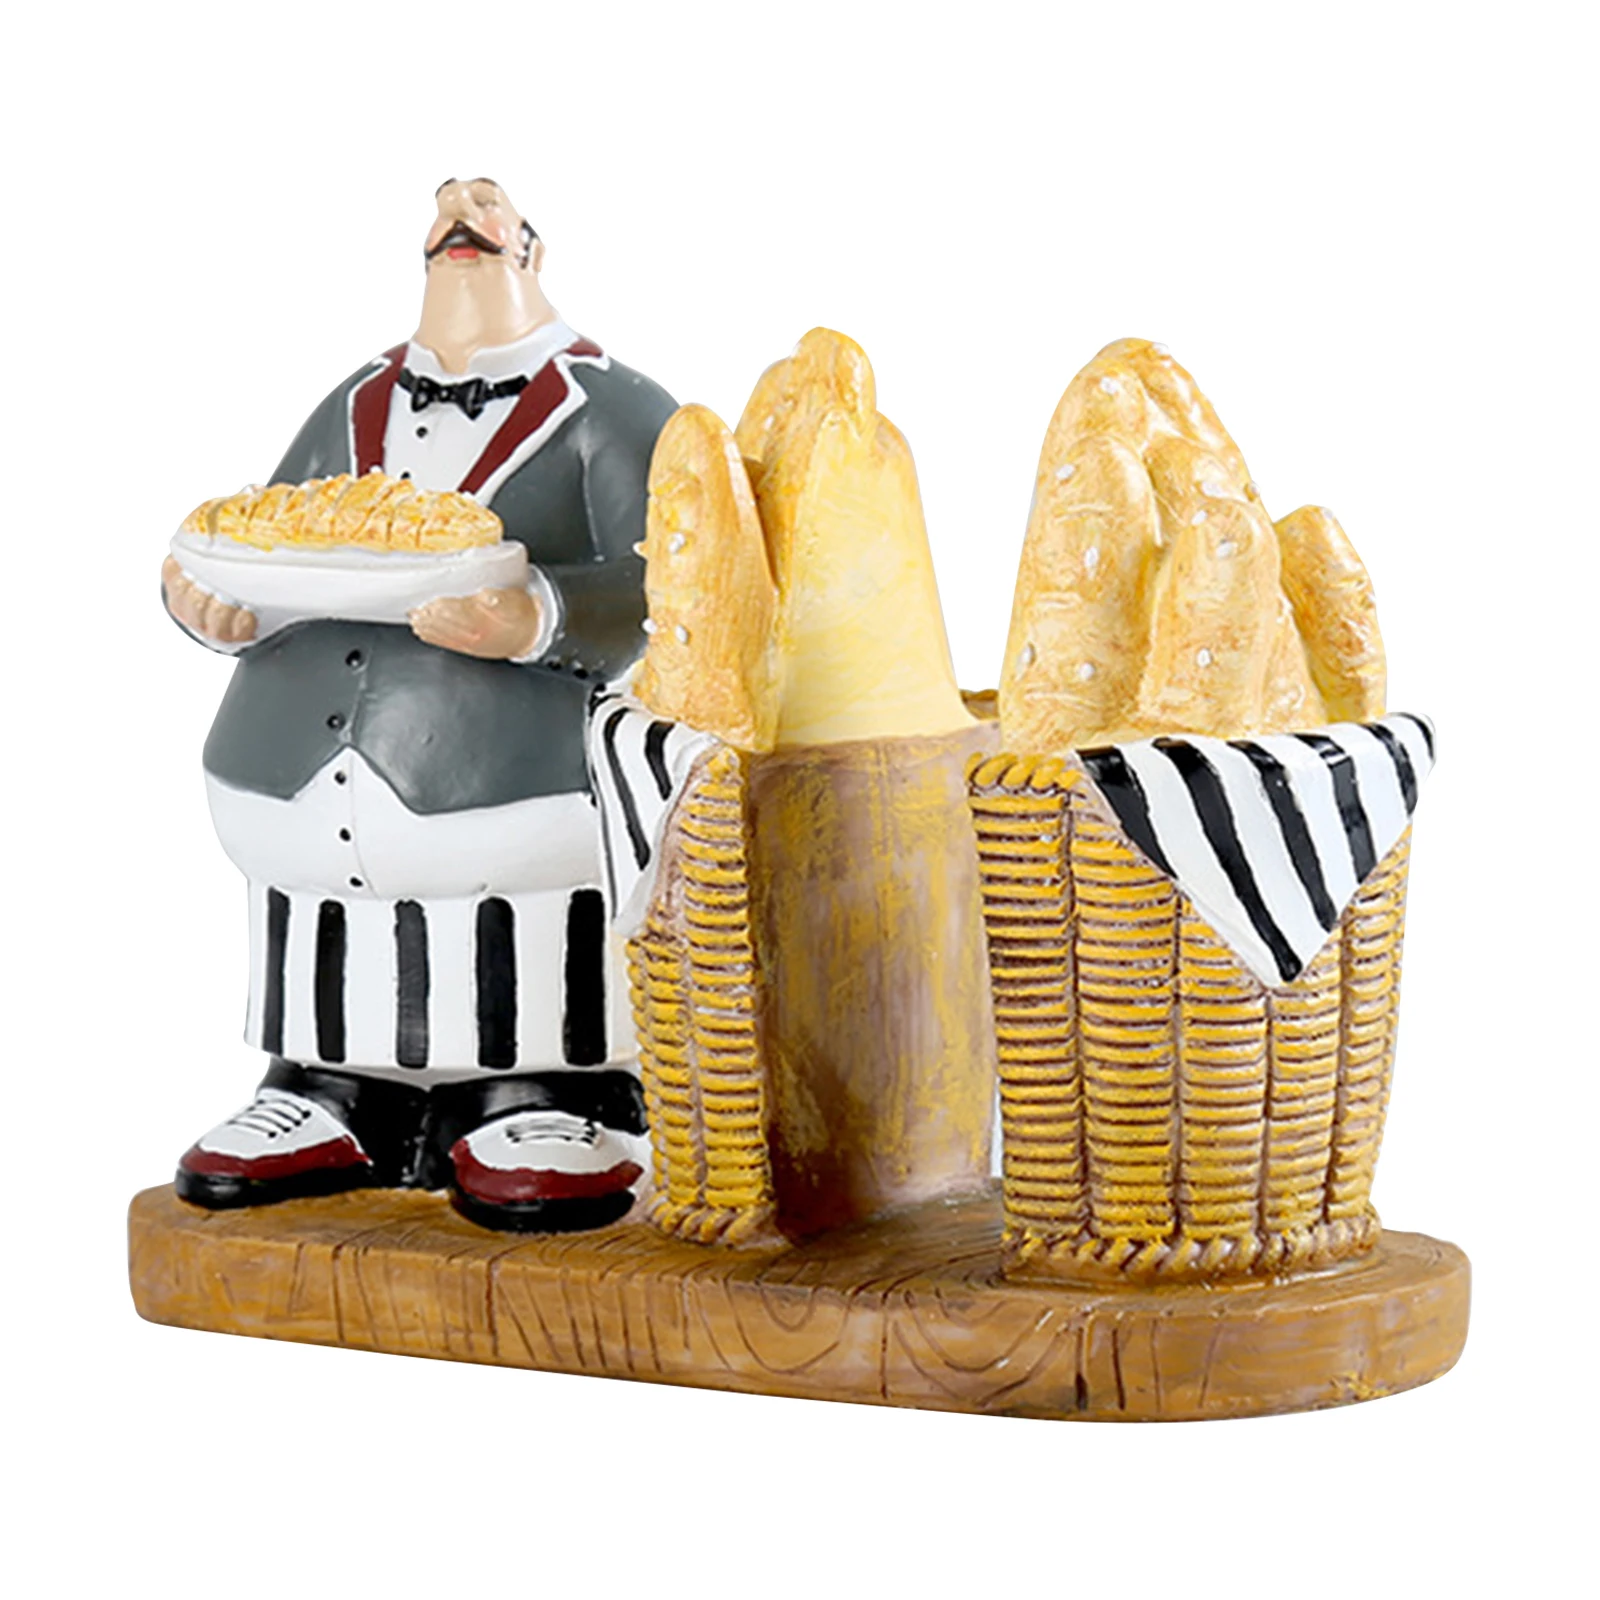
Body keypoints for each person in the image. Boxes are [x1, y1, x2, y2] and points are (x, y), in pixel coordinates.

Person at [161, 176, 677, 1232]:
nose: (461, 208)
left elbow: (677, 580)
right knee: (327, 942)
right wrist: (213, 602)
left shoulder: (615, 413)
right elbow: (263, 531)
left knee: (523, 941)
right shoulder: (355, 400)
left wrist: (539, 612)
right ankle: (326, 1087)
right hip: (295, 762)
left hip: (514, 776)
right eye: (446, 208)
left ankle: (548, 1093)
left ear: (531, 252)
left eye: (489, 210)